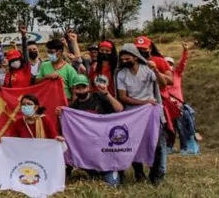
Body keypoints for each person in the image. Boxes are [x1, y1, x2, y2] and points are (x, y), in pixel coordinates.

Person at [57, 74, 123, 186]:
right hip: (87, 147)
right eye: (78, 88)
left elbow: (119, 109)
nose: (81, 90)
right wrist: (60, 116)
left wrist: (107, 94)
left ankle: (112, 171)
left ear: (88, 87)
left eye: (83, 87)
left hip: (104, 144)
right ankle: (92, 172)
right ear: (73, 89)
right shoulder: (72, 108)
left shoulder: (99, 97)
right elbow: (66, 129)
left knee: (113, 185)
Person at [116, 43, 167, 185]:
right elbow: (123, 97)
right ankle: (139, 174)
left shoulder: (147, 70)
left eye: (128, 59)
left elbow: (163, 84)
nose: (125, 62)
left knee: (155, 144)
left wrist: (156, 70)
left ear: (136, 57)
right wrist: (144, 103)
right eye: (123, 60)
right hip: (132, 114)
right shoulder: (121, 74)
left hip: (151, 113)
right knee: (133, 145)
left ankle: (155, 176)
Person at [166, 42, 200, 154]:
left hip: (178, 105)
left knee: (181, 128)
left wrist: (185, 51)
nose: (169, 66)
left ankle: (184, 148)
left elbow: (183, 63)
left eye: (170, 64)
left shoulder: (177, 73)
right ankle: (169, 147)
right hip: (166, 106)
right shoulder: (161, 76)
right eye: (166, 64)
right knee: (170, 129)